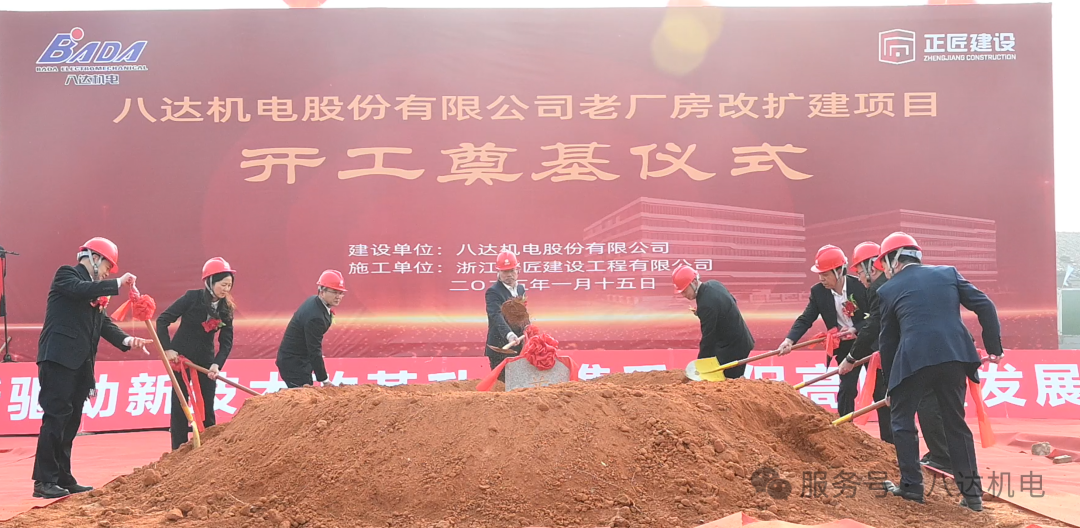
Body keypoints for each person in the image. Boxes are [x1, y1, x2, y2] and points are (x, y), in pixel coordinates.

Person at [876, 232, 1003, 511]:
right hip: (954, 357)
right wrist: (994, 348)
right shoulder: (948, 273)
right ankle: (972, 496)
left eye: (883, 262)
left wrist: (891, 386)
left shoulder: (887, 290)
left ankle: (912, 488)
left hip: (914, 360)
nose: (883, 269)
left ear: (893, 260)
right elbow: (985, 305)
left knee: (902, 420)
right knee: (955, 423)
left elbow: (888, 342)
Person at [32, 238, 150, 499]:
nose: (109, 272)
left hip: (81, 364)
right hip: (58, 359)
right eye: (108, 266)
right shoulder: (67, 275)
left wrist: (128, 340)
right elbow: (79, 289)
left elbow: (103, 324)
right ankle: (44, 480)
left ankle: (62, 476)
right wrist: (117, 284)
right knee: (56, 417)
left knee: (71, 420)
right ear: (94, 258)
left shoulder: (94, 292)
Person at [778, 245, 868, 416]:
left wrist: (855, 328)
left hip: (869, 341)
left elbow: (875, 317)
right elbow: (806, 319)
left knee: (879, 388)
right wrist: (789, 340)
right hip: (845, 347)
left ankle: (888, 431)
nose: (821, 279)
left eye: (825, 274)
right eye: (819, 274)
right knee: (847, 388)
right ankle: (845, 426)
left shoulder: (860, 286)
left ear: (839, 271)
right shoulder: (818, 292)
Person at [157, 257, 236, 450]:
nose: (226, 289)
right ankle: (178, 449)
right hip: (181, 359)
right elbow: (162, 320)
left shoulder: (226, 309)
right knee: (180, 405)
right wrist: (168, 349)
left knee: (207, 405)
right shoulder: (192, 298)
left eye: (229, 285)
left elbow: (226, 341)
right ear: (210, 282)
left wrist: (217, 364)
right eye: (223, 284)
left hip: (206, 363)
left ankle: (207, 448)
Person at [837, 242, 893, 443]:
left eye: (860, 272)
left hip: (887, 351)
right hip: (889, 349)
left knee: (887, 398)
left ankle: (893, 447)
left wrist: (851, 358)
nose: (859, 277)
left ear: (871, 267)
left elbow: (873, 325)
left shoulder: (878, 289)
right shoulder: (890, 284)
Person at [672, 265, 754, 379]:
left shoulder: (706, 304)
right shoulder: (714, 284)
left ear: (694, 282)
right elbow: (732, 301)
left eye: (685, 291)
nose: (683, 295)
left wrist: (700, 365)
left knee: (728, 382)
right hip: (740, 340)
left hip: (733, 348)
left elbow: (708, 338)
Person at [276, 270, 345, 388]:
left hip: (300, 361)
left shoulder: (316, 302)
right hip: (294, 365)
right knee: (303, 397)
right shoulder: (315, 317)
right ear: (322, 291)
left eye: (341, 293)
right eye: (334, 292)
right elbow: (314, 350)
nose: (338, 296)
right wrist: (324, 380)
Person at [484, 251, 526, 379]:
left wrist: (527, 327)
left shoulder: (520, 289)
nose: (509, 275)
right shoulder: (493, 292)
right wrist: (509, 335)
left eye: (512, 271)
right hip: (500, 348)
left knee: (519, 382)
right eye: (505, 272)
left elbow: (522, 314)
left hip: (518, 347)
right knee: (503, 384)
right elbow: (496, 316)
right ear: (498, 272)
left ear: (518, 270)